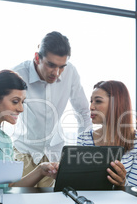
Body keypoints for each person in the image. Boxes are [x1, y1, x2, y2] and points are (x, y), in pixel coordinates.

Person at [12, 31, 92, 187]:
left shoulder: (71, 73)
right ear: (37, 57)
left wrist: (84, 153)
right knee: (20, 203)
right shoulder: (18, 74)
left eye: (61, 66)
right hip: (24, 153)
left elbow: (83, 113)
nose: (56, 72)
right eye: (51, 65)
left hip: (54, 155)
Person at [77, 81, 137, 186]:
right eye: (91, 102)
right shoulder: (84, 138)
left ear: (116, 104)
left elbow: (135, 189)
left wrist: (122, 183)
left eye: (98, 101)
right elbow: (81, 182)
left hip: (124, 202)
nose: (91, 107)